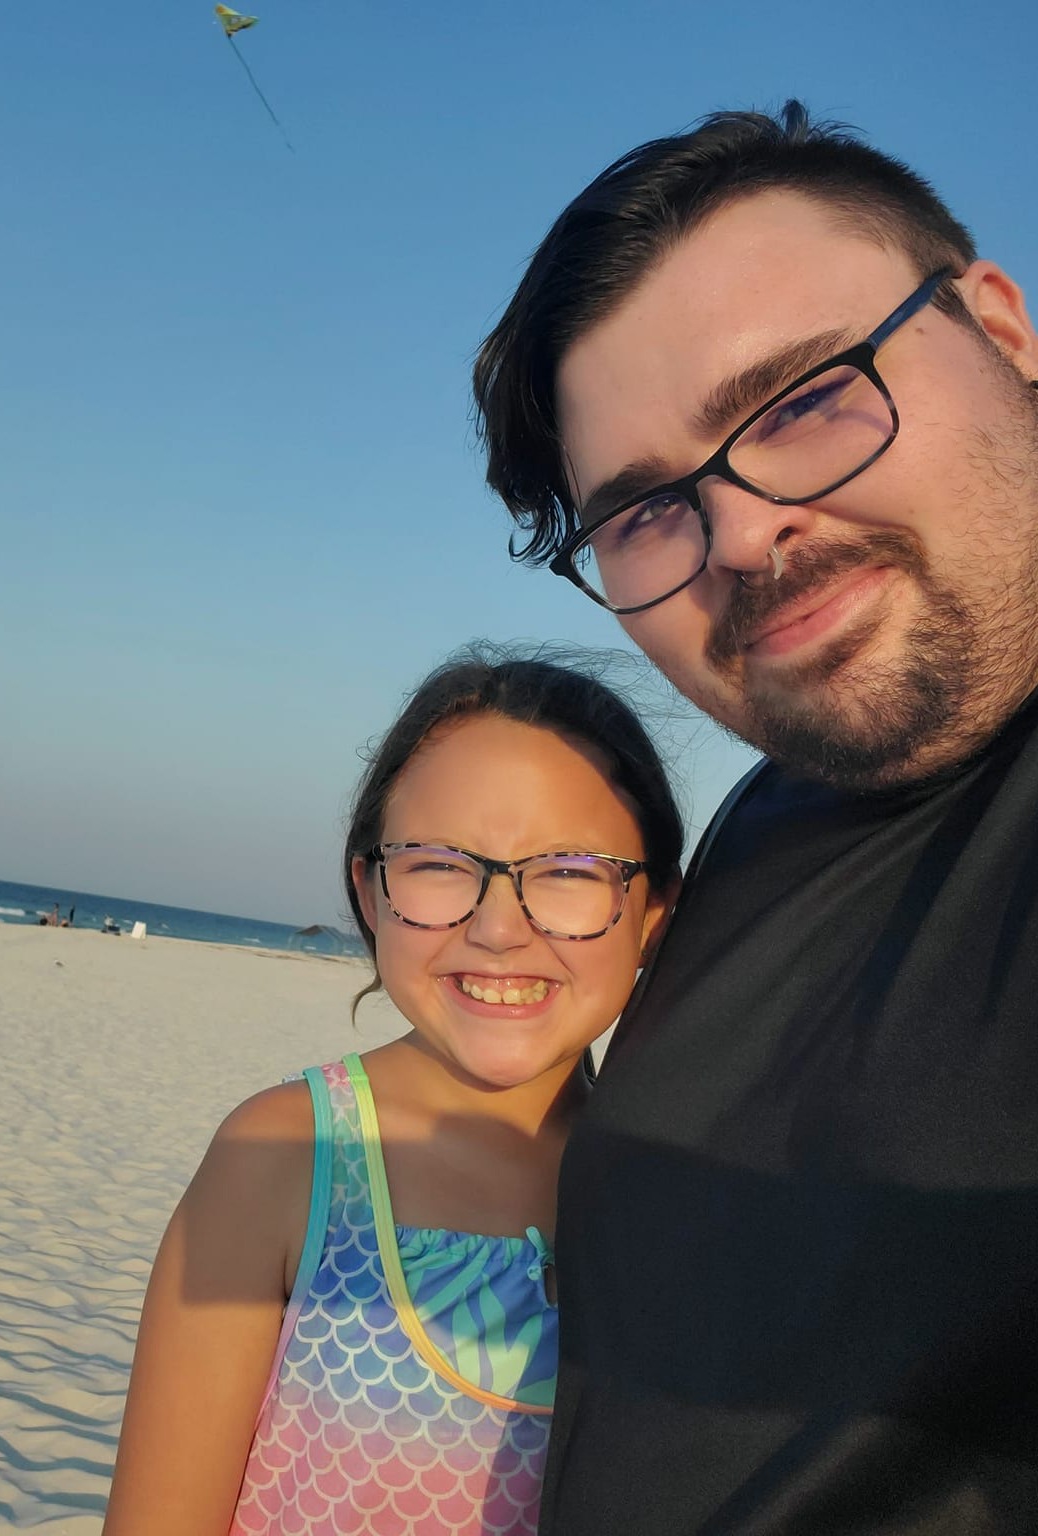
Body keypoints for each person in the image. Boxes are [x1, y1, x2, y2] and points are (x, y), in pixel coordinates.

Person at [472, 102, 1038, 1532]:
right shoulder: (763, 815)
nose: (739, 537)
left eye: (802, 400)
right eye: (646, 509)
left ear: (1003, 330)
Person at [104, 652, 682, 1534]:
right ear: (369, 893)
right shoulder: (286, 1156)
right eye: (440, 865)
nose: (497, 929)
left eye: (568, 871)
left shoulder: (688, 1190)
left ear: (652, 916)